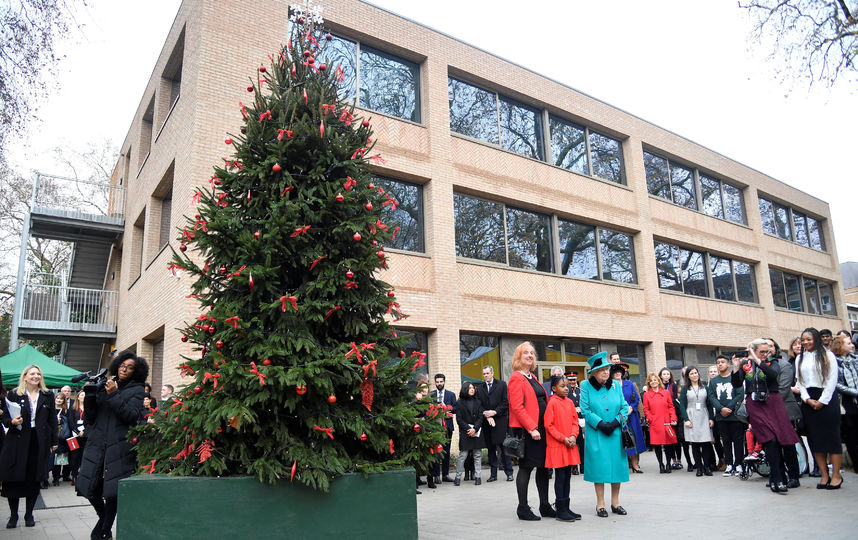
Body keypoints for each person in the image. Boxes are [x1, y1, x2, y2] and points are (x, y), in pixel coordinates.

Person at [77, 351, 148, 539]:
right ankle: (104, 523)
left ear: (136, 371)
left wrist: (114, 394)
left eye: (129, 367)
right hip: (97, 444)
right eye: (122, 365)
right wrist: (91, 395)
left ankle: (103, 528)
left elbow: (131, 416)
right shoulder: (105, 384)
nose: (124, 369)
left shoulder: (138, 390)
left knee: (112, 492)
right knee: (90, 489)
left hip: (119, 446)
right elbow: (90, 417)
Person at [731, 339, 800, 493]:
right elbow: (736, 384)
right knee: (770, 441)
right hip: (755, 405)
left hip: (773, 403)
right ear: (753, 350)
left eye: (766, 351)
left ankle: (781, 478)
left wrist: (758, 360)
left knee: (781, 440)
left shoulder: (772, 362)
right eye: (761, 352)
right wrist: (736, 368)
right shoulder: (746, 365)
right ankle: (776, 478)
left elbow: (772, 375)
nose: (765, 354)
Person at [0, 365, 58, 528]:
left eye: (38, 373)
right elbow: (4, 418)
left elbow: (52, 419)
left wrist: (54, 441)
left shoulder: (47, 395)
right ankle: (13, 516)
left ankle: (29, 514)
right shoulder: (13, 394)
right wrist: (11, 422)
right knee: (14, 479)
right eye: (32, 373)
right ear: (25, 376)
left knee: (34, 478)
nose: (36, 376)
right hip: (17, 441)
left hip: (38, 441)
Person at [580, 352, 630, 517]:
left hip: (615, 432)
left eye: (607, 369)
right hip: (597, 433)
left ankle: (616, 503)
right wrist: (600, 424)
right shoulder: (586, 386)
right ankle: (600, 504)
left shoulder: (616, 385)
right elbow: (585, 410)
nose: (605, 372)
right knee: (599, 469)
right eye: (601, 370)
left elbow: (624, 406)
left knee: (617, 468)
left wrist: (616, 422)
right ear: (593, 372)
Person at [508, 341, 553, 521]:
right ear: (519, 357)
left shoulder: (532, 377)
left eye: (532, 353)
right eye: (525, 353)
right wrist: (532, 428)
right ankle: (523, 508)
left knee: (543, 467)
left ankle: (545, 505)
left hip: (542, 429)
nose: (529, 355)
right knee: (526, 467)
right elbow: (517, 407)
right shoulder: (516, 378)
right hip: (529, 430)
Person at [796, 327, 842, 489]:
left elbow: (831, 381)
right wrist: (807, 399)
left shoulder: (828, 355)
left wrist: (821, 401)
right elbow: (800, 382)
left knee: (832, 438)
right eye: (803, 340)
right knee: (815, 440)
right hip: (809, 401)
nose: (805, 342)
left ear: (816, 338)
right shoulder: (799, 358)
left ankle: (836, 475)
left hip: (827, 400)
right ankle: (824, 475)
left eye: (809, 339)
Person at [544, 374, 581, 522]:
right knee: (560, 477)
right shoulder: (552, 403)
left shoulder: (570, 403)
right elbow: (549, 425)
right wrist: (563, 438)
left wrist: (573, 436)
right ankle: (560, 510)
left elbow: (574, 421)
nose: (566, 388)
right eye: (562, 386)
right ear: (554, 388)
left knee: (568, 476)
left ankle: (566, 507)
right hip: (558, 445)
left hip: (569, 444)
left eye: (567, 386)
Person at [766, 337, 801, 484]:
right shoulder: (757, 367)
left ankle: (793, 476)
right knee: (771, 445)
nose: (767, 349)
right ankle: (778, 476)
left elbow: (784, 389)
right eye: (764, 346)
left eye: (770, 346)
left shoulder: (784, 365)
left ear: (776, 349)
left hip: (783, 410)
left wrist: (766, 405)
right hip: (766, 412)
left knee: (787, 444)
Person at [709, 355, 745, 477]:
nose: (720, 364)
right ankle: (729, 464)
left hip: (735, 415)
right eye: (718, 362)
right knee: (726, 441)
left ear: (728, 364)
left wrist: (729, 407)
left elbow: (740, 394)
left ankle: (739, 464)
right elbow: (712, 396)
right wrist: (721, 408)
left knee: (738, 440)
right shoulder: (713, 381)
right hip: (721, 416)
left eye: (722, 362)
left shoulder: (735, 377)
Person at [476, 365, 513, 482]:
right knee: (491, 449)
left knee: (504, 448)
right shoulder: (480, 387)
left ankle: (509, 473)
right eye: (484, 374)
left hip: (500, 421)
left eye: (487, 373)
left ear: (492, 373)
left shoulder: (501, 385)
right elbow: (479, 405)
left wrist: (494, 412)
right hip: (487, 423)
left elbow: (505, 402)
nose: (486, 376)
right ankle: (493, 474)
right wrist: (487, 415)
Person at [679, 366, 715, 476]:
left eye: (696, 373)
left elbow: (709, 404)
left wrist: (711, 418)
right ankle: (699, 467)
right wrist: (686, 419)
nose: (695, 375)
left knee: (705, 443)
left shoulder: (705, 387)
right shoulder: (685, 388)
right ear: (688, 376)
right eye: (692, 374)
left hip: (704, 415)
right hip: (691, 416)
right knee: (694, 444)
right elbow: (682, 405)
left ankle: (707, 467)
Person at [611, 364, 646, 472]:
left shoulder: (629, 384)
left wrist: (632, 407)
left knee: (634, 440)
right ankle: (624, 466)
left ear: (622, 373)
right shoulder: (610, 386)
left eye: (619, 372)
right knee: (621, 441)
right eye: (615, 372)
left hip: (632, 417)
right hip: (619, 417)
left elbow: (636, 398)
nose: (617, 373)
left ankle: (635, 465)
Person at [642, 373, 677, 473]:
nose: (653, 382)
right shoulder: (647, 395)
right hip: (655, 423)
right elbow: (646, 409)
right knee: (657, 445)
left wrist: (673, 418)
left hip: (666, 422)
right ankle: (661, 464)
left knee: (668, 445)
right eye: (651, 380)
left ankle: (668, 464)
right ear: (649, 383)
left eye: (655, 380)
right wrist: (650, 418)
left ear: (658, 381)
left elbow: (671, 406)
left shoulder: (665, 393)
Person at [834, 333, 858, 473]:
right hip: (846, 403)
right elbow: (837, 384)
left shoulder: (856, 359)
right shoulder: (834, 363)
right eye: (848, 343)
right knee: (851, 436)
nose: (852, 345)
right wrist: (854, 392)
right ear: (841, 346)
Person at [453, 381, 484, 485]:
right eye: (470, 388)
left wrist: (475, 429)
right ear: (465, 389)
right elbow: (459, 419)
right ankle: (457, 477)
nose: (472, 389)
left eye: (473, 388)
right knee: (463, 455)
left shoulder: (478, 402)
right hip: (465, 432)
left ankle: (478, 477)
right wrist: (469, 429)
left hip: (476, 431)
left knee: (477, 455)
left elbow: (480, 417)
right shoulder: (459, 402)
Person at [429, 373, 456, 483]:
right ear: (435, 382)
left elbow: (455, 409)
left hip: (447, 427)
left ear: (444, 382)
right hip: (435, 427)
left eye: (441, 381)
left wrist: (447, 408)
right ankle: (436, 475)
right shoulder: (431, 395)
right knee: (436, 451)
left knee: (446, 451)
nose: (439, 383)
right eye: (437, 382)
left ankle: (445, 474)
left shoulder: (451, 395)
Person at [659, 368, 685, 470]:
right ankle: (672, 460)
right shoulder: (658, 386)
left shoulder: (674, 386)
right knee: (668, 439)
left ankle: (678, 460)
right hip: (663, 414)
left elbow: (675, 399)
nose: (666, 376)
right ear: (660, 376)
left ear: (670, 376)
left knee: (676, 439)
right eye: (664, 374)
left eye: (667, 374)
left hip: (674, 413)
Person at [52, 393, 73, 485]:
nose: (59, 400)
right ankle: (53, 477)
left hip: (62, 438)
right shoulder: (50, 410)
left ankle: (57, 478)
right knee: (51, 458)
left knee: (60, 459)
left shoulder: (66, 411)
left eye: (61, 399)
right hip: (52, 437)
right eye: (57, 398)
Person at [567, 374, 584, 475]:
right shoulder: (567, 391)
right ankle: (574, 468)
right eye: (570, 380)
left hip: (581, 419)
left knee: (582, 445)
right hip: (571, 420)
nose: (572, 382)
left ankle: (583, 467)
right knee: (574, 445)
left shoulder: (579, 390)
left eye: (574, 380)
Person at [68, 390, 86, 486]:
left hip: (85, 436)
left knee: (84, 455)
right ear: (78, 397)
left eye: (85, 395)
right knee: (74, 456)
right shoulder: (73, 408)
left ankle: (82, 475)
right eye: (82, 395)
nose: (83, 397)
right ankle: (74, 475)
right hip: (74, 436)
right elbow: (71, 422)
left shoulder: (88, 409)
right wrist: (77, 432)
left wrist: (84, 431)